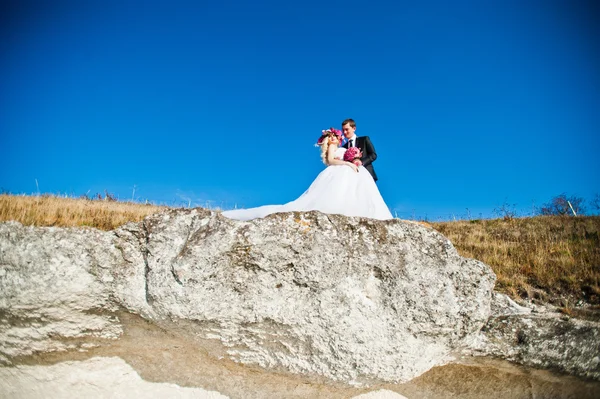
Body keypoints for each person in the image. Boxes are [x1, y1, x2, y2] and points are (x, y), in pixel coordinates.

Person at [221, 128, 393, 221]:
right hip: (339, 170)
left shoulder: (350, 144)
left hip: (349, 170)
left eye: (337, 136)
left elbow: (370, 155)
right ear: (330, 139)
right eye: (334, 136)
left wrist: (355, 161)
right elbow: (332, 160)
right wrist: (348, 162)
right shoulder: (333, 147)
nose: (337, 138)